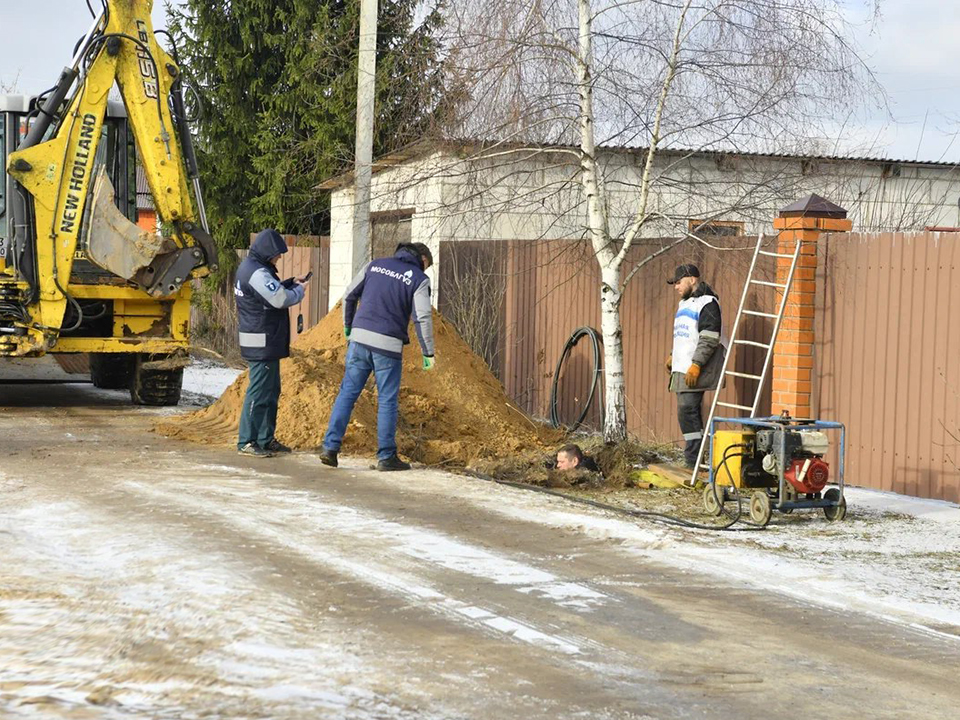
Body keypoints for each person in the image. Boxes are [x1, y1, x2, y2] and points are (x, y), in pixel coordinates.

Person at [318, 242, 436, 471]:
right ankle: (386, 457)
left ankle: (330, 449)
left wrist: (348, 327)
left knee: (347, 394)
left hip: (359, 341)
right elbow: (422, 318)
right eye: (426, 266)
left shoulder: (375, 265)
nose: (425, 271)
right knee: (387, 400)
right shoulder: (419, 279)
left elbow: (349, 295)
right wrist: (428, 352)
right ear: (421, 258)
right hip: (388, 346)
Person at [234, 229, 308, 458]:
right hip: (261, 342)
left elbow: (262, 294)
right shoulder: (256, 272)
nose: (278, 259)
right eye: (277, 255)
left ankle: (265, 439)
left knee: (270, 391)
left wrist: (285, 282)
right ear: (267, 253)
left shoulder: (252, 267)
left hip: (264, 340)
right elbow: (279, 299)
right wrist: (298, 290)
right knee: (259, 392)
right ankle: (247, 441)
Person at [665, 264, 725, 469]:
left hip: (695, 368)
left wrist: (697, 364)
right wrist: (673, 356)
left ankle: (694, 460)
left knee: (687, 410)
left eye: (678, 282)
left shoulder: (708, 303)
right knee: (686, 412)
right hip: (682, 368)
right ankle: (695, 458)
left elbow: (709, 338)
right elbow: (686, 336)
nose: (676, 287)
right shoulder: (685, 304)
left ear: (692, 279)